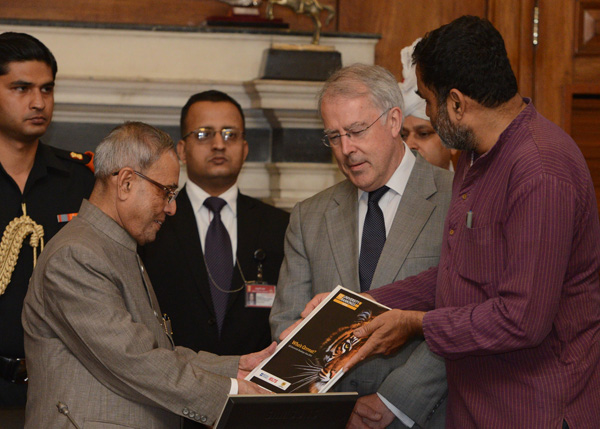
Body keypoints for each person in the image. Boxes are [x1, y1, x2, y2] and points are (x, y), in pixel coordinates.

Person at [303, 16, 600, 428]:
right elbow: (459, 274)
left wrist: (413, 325)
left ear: (457, 103)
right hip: (476, 405)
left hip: (535, 409)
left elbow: (522, 319)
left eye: (427, 100)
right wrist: (358, 305)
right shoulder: (475, 156)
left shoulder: (541, 169)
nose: (423, 112)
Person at [22, 122, 274, 428]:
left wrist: (236, 367)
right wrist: (233, 392)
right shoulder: (76, 255)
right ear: (126, 182)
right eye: (165, 191)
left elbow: (157, 352)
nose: (171, 208)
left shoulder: (117, 247)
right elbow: (135, 361)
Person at [270, 63, 453, 428]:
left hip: (424, 415)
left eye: (355, 131)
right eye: (334, 137)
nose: (346, 149)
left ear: (394, 120)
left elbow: (466, 318)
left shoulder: (456, 200)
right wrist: (336, 404)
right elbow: (288, 324)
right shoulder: (309, 216)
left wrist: (394, 400)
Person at [140, 91, 289, 360]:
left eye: (230, 134)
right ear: (182, 151)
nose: (219, 144)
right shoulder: (154, 222)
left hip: (256, 390)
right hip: (174, 385)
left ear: (245, 148)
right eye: (204, 134)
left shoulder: (280, 226)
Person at [0, 32, 95, 426]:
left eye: (47, 89)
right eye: (20, 88)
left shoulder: (80, 180)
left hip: (63, 392)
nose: (39, 102)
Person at [399, 38, 456, 170]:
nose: (410, 145)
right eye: (403, 136)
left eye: (423, 134)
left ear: (452, 142)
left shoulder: (471, 190)